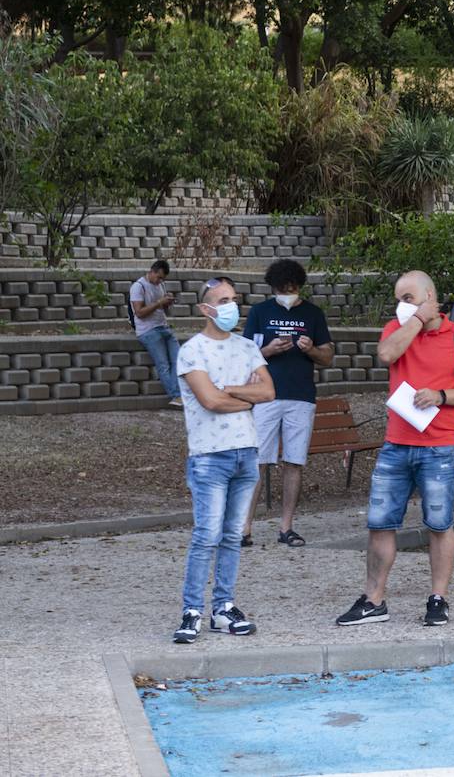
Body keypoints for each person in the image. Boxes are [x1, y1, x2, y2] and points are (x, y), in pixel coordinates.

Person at [336, 271, 454, 628]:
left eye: (408, 297)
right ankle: (374, 600)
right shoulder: (396, 330)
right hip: (397, 445)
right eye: (398, 299)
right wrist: (416, 319)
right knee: (380, 524)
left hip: (440, 446)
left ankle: (438, 599)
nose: (400, 305)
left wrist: (442, 396)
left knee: (438, 523)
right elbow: (386, 354)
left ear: (430, 296)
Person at [172, 277, 275, 643]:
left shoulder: (247, 347)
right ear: (205, 308)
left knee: (232, 535)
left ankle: (223, 608)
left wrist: (231, 390)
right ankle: (192, 610)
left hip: (245, 452)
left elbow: (268, 390)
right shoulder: (192, 351)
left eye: (234, 299)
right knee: (206, 534)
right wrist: (246, 399)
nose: (231, 306)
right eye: (222, 300)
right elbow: (209, 401)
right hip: (209, 456)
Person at [241, 259, 335, 549]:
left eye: (292, 288)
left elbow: (328, 356)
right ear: (273, 288)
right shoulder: (260, 312)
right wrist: (268, 350)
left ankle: (286, 527)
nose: (287, 292)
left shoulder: (313, 314)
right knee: (257, 462)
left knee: (294, 462)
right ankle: (244, 528)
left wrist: (312, 350)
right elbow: (245, 355)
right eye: (282, 288)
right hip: (266, 395)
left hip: (301, 396)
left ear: (300, 286)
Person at [130, 259, 182, 408]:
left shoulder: (161, 285)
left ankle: (177, 395)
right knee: (163, 364)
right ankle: (176, 396)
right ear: (152, 271)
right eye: (158, 277)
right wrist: (159, 302)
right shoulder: (138, 287)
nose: (160, 281)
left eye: (163, 279)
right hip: (147, 330)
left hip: (163, 326)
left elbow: (163, 310)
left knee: (179, 359)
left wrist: (167, 303)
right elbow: (139, 313)